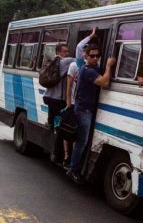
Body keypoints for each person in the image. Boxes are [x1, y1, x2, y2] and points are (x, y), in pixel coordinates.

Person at [44, 30, 97, 165]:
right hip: (59, 101)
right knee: (61, 128)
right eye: (65, 51)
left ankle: (51, 128)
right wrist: (90, 39)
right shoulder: (69, 62)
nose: (68, 53)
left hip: (49, 98)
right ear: (60, 52)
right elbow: (80, 53)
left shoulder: (52, 61)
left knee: (56, 124)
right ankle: (57, 155)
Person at [67, 44, 116, 183]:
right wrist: (108, 66)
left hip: (85, 109)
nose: (95, 58)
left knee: (82, 140)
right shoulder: (88, 70)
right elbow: (105, 83)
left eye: (97, 56)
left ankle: (75, 167)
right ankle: (73, 170)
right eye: (92, 56)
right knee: (82, 141)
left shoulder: (92, 68)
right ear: (86, 56)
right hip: (84, 111)